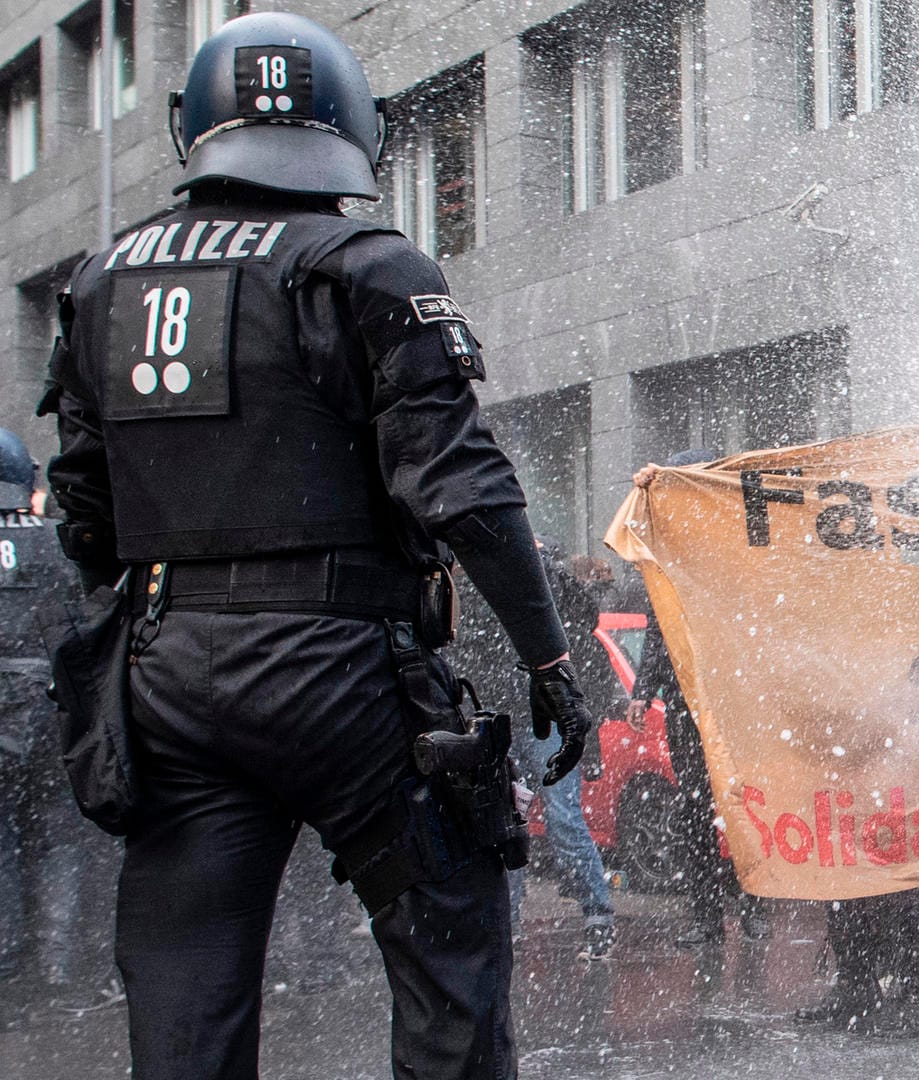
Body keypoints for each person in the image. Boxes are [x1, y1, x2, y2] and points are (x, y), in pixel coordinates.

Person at [40, 15, 596, 1079]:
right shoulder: (365, 266)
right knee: (449, 952)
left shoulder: (102, 283)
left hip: (169, 676)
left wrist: (159, 619)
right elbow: (467, 491)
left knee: (185, 998)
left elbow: (85, 512)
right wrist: (549, 660)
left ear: (188, 128)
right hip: (345, 669)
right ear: (356, 131)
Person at [452, 542, 617, 960]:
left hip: (539, 717)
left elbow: (584, 620)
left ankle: (596, 915)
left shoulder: (540, 578)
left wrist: (540, 564)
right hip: (504, 716)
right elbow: (464, 649)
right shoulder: (477, 585)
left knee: (558, 820)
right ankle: (510, 921)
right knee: (509, 819)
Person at [635, 450, 771, 947]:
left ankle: (755, 907)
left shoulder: (735, 547)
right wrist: (642, 688)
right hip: (686, 701)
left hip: (731, 698)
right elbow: (657, 628)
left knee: (742, 805)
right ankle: (706, 916)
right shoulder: (667, 552)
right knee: (696, 808)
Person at [0, 428, 107, 994]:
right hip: (48, 707)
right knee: (60, 839)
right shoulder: (51, 540)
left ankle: (8, 980)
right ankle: (62, 974)